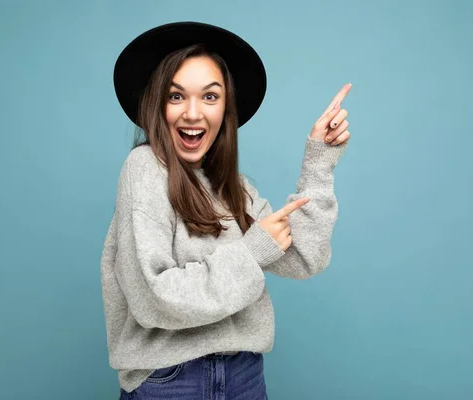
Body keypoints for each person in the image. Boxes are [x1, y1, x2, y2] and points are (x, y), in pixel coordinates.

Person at [101, 21, 351, 399]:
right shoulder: (145, 169)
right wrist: (251, 252)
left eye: (210, 97)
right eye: (176, 96)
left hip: (243, 375)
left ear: (225, 109)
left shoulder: (232, 186)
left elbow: (304, 257)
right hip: (173, 382)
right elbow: (153, 299)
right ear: (157, 103)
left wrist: (319, 162)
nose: (192, 113)